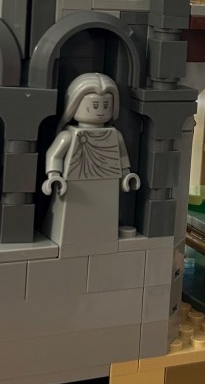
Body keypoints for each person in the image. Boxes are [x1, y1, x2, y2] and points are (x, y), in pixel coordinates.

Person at [41, 72, 139, 252]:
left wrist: (126, 174)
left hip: (107, 183)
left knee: (104, 215)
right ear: (74, 105)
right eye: (94, 105)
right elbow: (54, 155)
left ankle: (101, 242)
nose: (100, 110)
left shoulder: (115, 135)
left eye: (106, 105)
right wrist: (54, 175)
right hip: (75, 186)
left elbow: (122, 156)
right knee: (73, 218)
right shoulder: (68, 135)